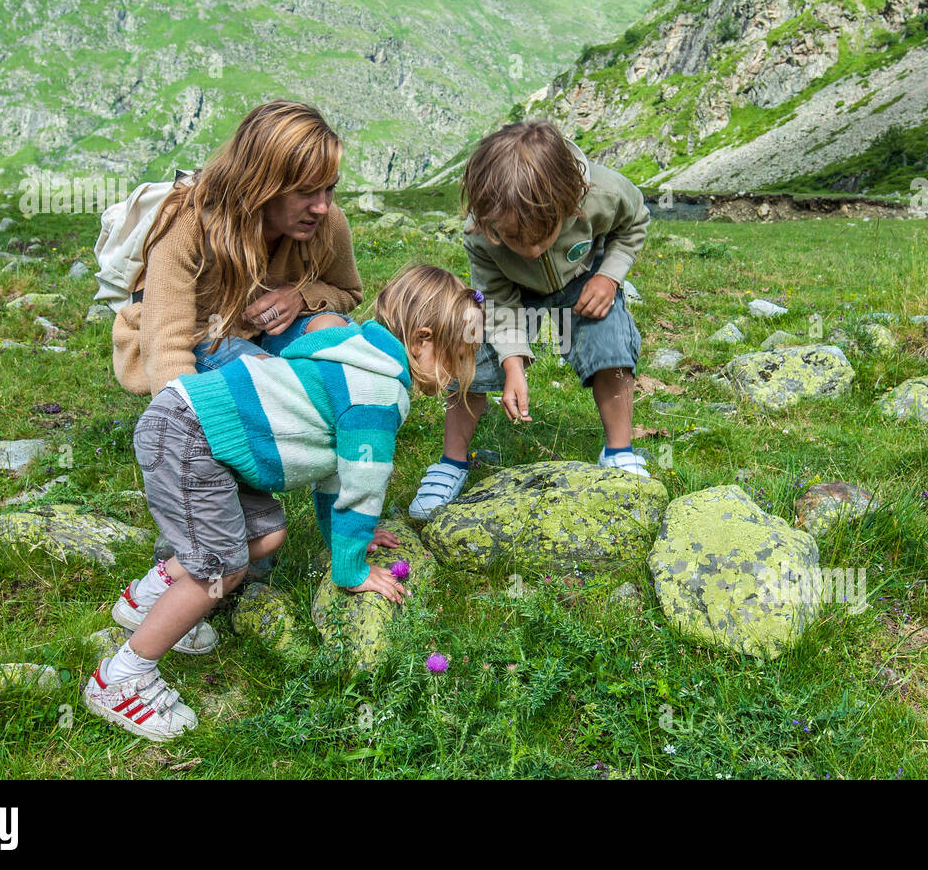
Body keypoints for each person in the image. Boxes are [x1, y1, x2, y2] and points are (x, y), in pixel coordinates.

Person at [85, 265, 482, 742]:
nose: (464, 372)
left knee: (266, 534)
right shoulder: (378, 391)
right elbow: (362, 485)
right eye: (459, 356)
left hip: (193, 427)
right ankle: (123, 677)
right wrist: (351, 567)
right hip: (190, 436)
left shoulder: (354, 354)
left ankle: (147, 600)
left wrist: (345, 536)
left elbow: (333, 477)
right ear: (421, 340)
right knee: (222, 569)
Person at [410, 120, 651, 522]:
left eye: (544, 235)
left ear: (571, 201)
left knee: (610, 341)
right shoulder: (480, 234)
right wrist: (512, 364)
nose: (532, 250)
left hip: (583, 283)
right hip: (513, 295)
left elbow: (635, 222)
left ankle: (619, 453)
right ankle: (453, 462)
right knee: (470, 343)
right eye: (513, 239)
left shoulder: (604, 192)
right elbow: (499, 301)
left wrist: (609, 276)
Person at [111, 101, 363, 397]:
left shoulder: (328, 222)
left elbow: (348, 292)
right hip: (204, 337)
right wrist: (181, 410)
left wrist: (301, 297)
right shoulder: (188, 221)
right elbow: (167, 344)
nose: (322, 206)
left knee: (333, 331)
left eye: (329, 188)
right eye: (305, 191)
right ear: (263, 183)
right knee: (270, 381)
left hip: (270, 335)